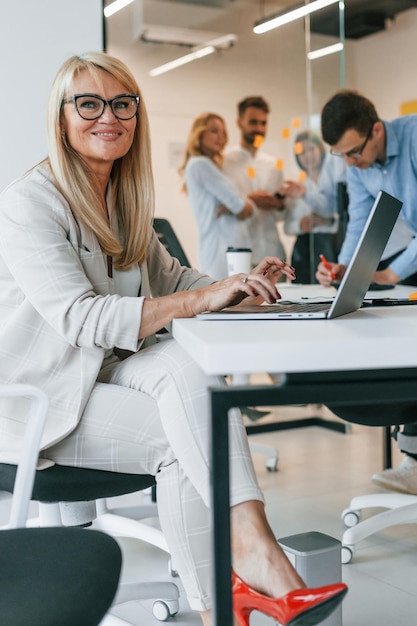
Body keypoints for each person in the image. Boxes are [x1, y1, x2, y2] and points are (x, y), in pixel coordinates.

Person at [0, 52, 347, 626]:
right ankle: (236, 587)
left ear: (137, 115)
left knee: (194, 378)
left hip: (107, 371)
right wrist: (200, 299)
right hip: (44, 395)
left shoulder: (125, 198)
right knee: (182, 442)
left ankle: (248, 571)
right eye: (88, 103)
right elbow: (82, 319)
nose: (107, 115)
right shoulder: (29, 202)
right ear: (61, 117)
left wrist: (237, 286)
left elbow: (174, 280)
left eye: (122, 103)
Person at [317, 89, 417, 494]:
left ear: (377, 130)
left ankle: (412, 454)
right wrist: (344, 268)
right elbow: (359, 219)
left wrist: (393, 273)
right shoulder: (358, 165)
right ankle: (413, 457)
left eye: (353, 152)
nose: (350, 163)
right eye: (340, 156)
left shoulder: (413, 137)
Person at [179, 112, 255, 280]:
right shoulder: (200, 164)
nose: (220, 137)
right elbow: (243, 207)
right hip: (220, 253)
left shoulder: (210, 166)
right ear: (200, 133)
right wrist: (241, 203)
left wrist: (238, 203)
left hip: (225, 252)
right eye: (214, 131)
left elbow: (242, 206)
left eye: (223, 132)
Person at [222, 96, 288, 268]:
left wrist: (280, 204)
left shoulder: (273, 165)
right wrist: (252, 200)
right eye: (253, 122)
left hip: (272, 255)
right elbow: (218, 208)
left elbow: (280, 216)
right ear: (239, 123)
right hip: (240, 258)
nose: (259, 128)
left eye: (263, 123)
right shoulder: (224, 162)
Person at [282, 131, 340, 284]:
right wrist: (299, 225)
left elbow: (345, 216)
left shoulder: (333, 182)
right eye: (302, 152)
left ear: (320, 149)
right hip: (303, 251)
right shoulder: (297, 188)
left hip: (330, 245)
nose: (307, 155)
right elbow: (287, 226)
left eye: (311, 149)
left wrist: (329, 221)